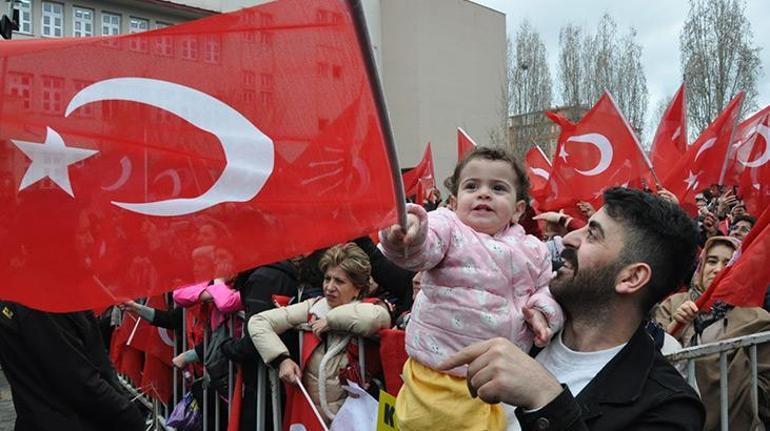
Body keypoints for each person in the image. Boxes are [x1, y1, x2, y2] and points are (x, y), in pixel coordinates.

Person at [440, 187, 705, 431]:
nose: (567, 238)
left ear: (631, 278)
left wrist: (546, 400)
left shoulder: (669, 407)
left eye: (592, 234)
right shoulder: (522, 326)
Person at [380, 146, 563, 430]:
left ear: (518, 210)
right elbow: (423, 247)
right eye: (472, 186)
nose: (484, 193)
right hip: (438, 376)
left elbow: (546, 288)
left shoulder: (534, 250)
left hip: (502, 376)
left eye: (498, 188)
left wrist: (542, 311)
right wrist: (408, 231)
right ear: (453, 202)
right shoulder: (449, 227)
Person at [248, 243, 390, 425]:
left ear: (357, 288)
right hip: (313, 418)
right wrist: (281, 360)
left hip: (357, 420)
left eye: (339, 281)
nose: (329, 287)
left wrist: (330, 321)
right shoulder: (313, 306)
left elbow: (373, 319)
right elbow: (258, 322)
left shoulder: (373, 307)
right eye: (327, 279)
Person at [655, 236, 770, 430]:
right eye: (712, 261)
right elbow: (647, 354)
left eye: (728, 263)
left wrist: (744, 397)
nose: (718, 269)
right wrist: (676, 327)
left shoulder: (757, 318)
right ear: (700, 267)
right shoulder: (673, 305)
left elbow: (765, 381)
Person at [0, 302, 145, 431]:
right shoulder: (42, 305)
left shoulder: (35, 299)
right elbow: (79, 382)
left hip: (44, 416)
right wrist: (130, 416)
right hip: (66, 420)